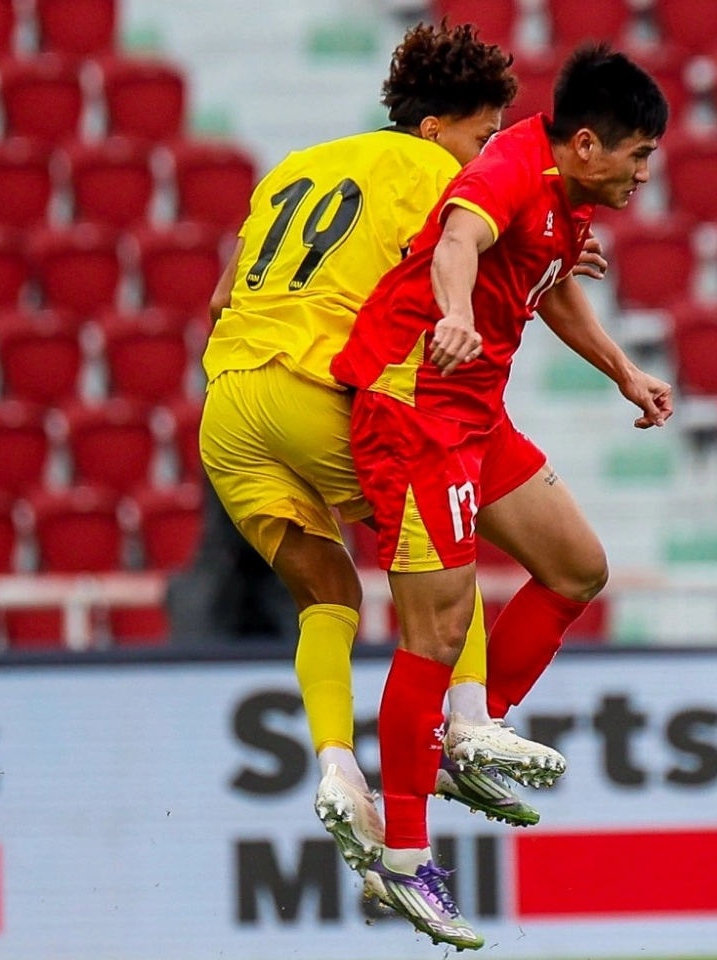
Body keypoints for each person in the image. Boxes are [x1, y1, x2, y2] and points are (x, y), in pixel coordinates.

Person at [199, 20, 562, 902]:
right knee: (443, 526)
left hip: (228, 404)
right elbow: (464, 268)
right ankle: (469, 724)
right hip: (307, 391)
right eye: (482, 135)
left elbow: (219, 297)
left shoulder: (294, 167)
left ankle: (336, 767)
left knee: (330, 594)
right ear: (438, 129)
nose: (486, 156)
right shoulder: (438, 175)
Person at [330, 43, 672, 948]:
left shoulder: (561, 202)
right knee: (436, 635)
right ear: (590, 144)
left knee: (576, 568)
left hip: (473, 413)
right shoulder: (513, 165)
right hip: (413, 409)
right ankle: (403, 859)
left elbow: (548, 285)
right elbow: (458, 239)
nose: (645, 175)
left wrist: (624, 372)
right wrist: (450, 312)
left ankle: (465, 743)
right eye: (639, 156)